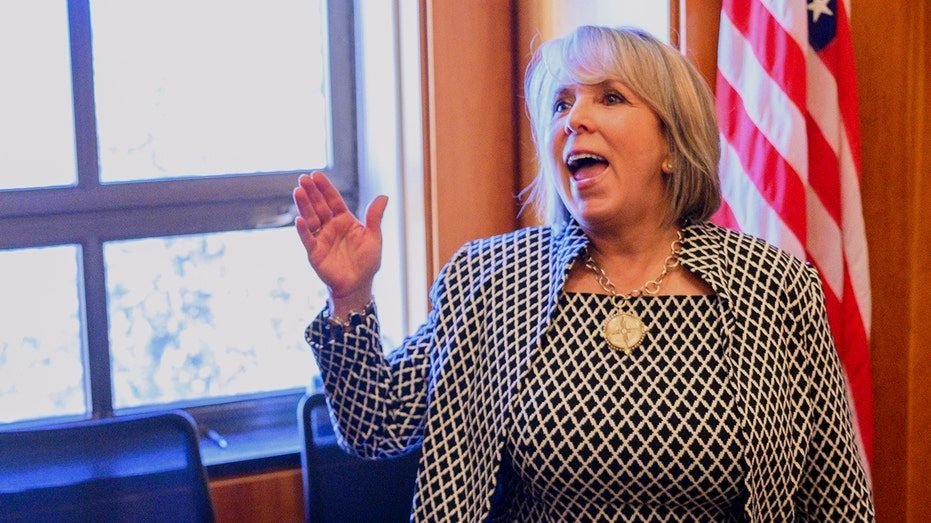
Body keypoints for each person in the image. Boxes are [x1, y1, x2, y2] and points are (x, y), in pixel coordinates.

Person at [293, 25, 874, 522]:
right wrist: (351, 297)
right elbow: (376, 426)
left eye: (610, 97)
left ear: (673, 145)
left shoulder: (774, 286)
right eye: (561, 104)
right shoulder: (491, 279)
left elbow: (837, 499)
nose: (575, 119)